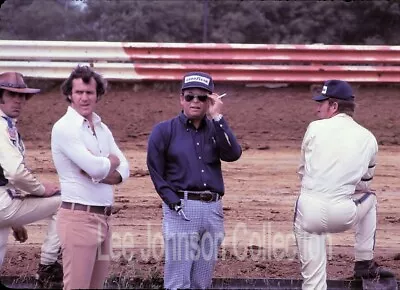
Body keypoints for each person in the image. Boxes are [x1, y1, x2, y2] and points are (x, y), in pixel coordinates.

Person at [294, 79, 395, 289]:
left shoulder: (314, 128)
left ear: (334, 106)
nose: (317, 109)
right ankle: (364, 261)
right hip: (344, 214)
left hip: (308, 213)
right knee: (371, 199)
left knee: (313, 283)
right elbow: (364, 185)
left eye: (321, 104)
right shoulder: (369, 138)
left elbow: (302, 172)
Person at [147, 71, 242, 289]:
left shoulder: (215, 129)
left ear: (211, 100)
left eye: (202, 97)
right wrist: (173, 202)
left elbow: (233, 154)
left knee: (201, 282)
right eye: (190, 97)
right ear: (181, 98)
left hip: (213, 210)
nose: (195, 102)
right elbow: (156, 171)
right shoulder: (164, 130)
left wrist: (218, 118)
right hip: (182, 207)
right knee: (178, 282)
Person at [51, 65, 130, 290]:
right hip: (79, 217)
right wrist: (108, 163)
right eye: (79, 92)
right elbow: (96, 168)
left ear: (97, 95)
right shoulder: (64, 127)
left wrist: (103, 170)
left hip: (103, 218)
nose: (84, 98)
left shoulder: (102, 128)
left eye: (89, 93)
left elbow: (125, 168)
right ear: (69, 94)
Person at [0, 72, 63, 284]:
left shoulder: (6, 124)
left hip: (3, 204)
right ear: (0, 96)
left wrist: (14, 220)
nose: (19, 100)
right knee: (65, 203)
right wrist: (40, 190)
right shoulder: (2, 126)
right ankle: (48, 265)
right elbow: (15, 172)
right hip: (2, 204)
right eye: (12, 94)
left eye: (22, 96)